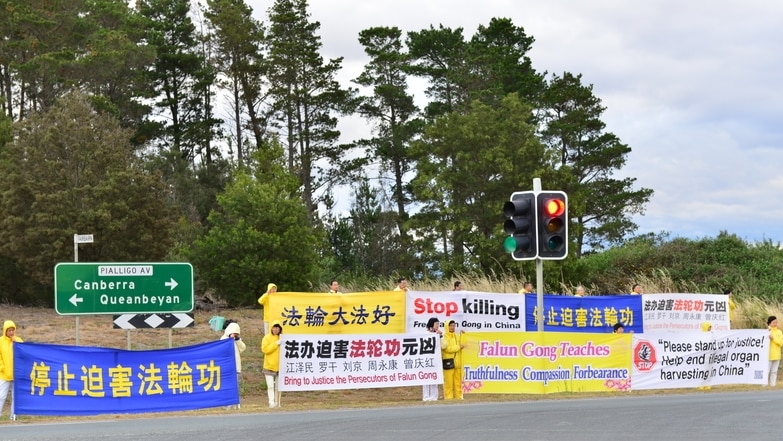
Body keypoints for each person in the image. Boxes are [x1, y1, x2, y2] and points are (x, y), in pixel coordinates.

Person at [220, 321, 246, 408]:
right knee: (227, 386)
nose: (234, 334)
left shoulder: (237, 340)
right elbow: (222, 350)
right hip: (227, 367)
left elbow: (243, 348)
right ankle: (226, 404)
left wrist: (237, 339)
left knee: (235, 386)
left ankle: (235, 404)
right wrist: (229, 339)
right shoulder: (223, 339)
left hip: (236, 367)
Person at [0, 320, 22, 420]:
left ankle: (13, 416)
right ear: (5, 331)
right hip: (4, 374)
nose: (11, 332)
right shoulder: (1, 341)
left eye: (13, 330)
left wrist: (16, 342)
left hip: (16, 374)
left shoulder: (18, 340)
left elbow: (24, 352)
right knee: (2, 396)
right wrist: (2, 368)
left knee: (15, 397)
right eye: (9, 330)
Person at [441, 319, 465, 400]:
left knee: (458, 382)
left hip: (457, 363)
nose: (452, 327)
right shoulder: (444, 337)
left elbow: (463, 341)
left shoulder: (457, 336)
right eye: (450, 326)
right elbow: (447, 349)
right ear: (447, 326)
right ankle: (448, 398)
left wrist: (464, 335)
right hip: (448, 363)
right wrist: (458, 347)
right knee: (449, 383)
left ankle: (459, 397)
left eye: (454, 326)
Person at [261, 321, 283, 407]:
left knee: (278, 387)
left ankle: (277, 402)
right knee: (270, 386)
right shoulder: (266, 338)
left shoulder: (282, 338)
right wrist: (276, 344)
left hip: (280, 366)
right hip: (269, 366)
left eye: (277, 328)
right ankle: (271, 402)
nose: (275, 329)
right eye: (274, 327)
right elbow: (265, 350)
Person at [422, 317, 442, 402]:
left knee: (435, 377)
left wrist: (440, 336)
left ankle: (434, 397)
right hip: (426, 359)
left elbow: (444, 346)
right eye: (436, 324)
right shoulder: (424, 334)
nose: (438, 326)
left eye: (438, 324)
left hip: (436, 359)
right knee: (426, 378)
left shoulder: (439, 334)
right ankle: (426, 397)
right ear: (431, 324)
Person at [768, 316, 783, 387]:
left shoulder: (779, 332)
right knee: (767, 371)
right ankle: (764, 385)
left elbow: (780, 343)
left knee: (774, 371)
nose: (775, 324)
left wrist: (773, 339)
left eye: (776, 322)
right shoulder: (767, 331)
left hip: (776, 355)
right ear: (769, 323)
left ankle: (772, 384)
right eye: (774, 322)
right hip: (768, 355)